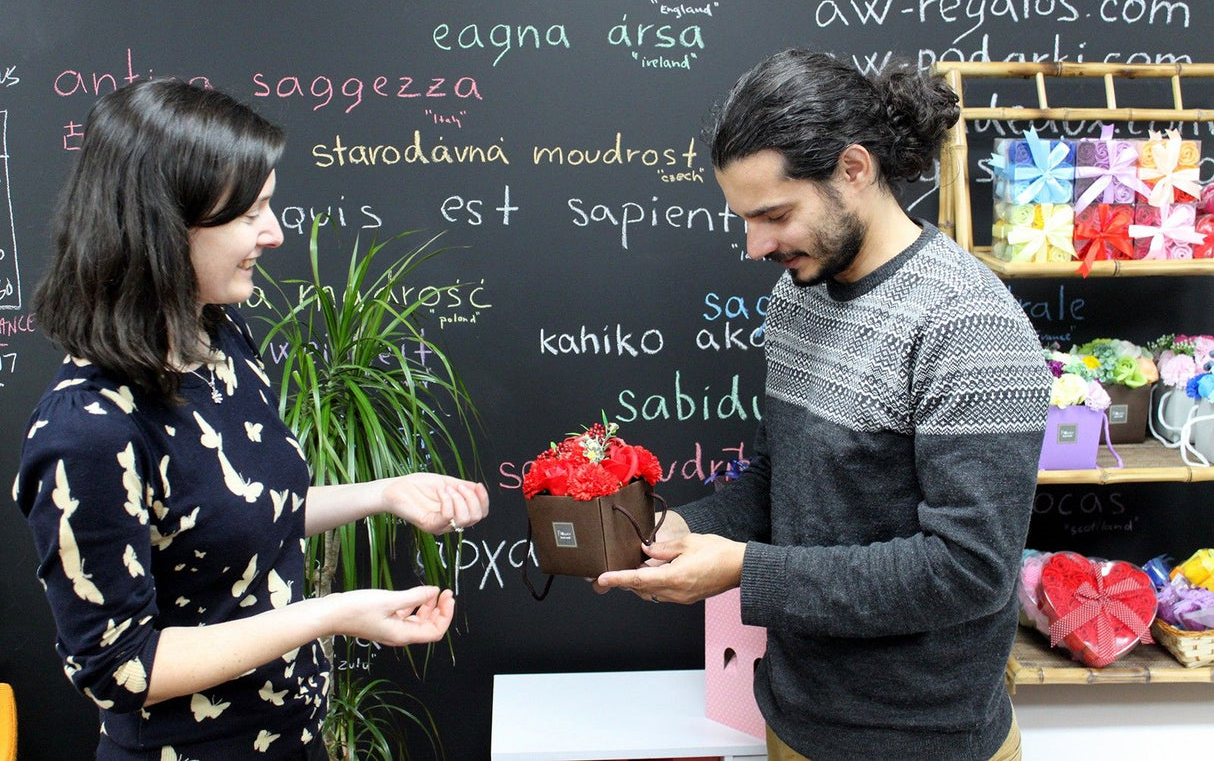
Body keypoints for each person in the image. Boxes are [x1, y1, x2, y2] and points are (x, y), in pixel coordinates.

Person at [12, 79, 489, 760]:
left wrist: (385, 494)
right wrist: (330, 614)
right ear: (163, 227)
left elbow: (238, 512)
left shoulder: (221, 339)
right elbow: (121, 668)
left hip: (293, 740)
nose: (274, 233)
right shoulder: (87, 430)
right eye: (249, 215)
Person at [596, 50, 1050, 761]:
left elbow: (968, 571)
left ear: (854, 171)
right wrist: (679, 526)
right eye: (745, 219)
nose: (755, 246)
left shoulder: (969, 325)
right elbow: (786, 482)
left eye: (774, 214)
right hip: (791, 716)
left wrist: (745, 570)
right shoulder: (795, 299)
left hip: (922, 742)